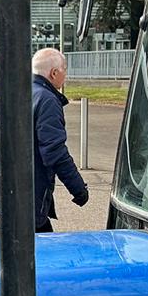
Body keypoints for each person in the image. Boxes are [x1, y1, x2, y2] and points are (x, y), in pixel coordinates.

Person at [29, 48, 89, 232]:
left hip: (9, 194)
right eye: (65, 69)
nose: (66, 75)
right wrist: (79, 189)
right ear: (54, 73)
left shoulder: (16, 93)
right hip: (30, 192)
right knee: (41, 245)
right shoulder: (47, 100)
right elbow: (55, 152)